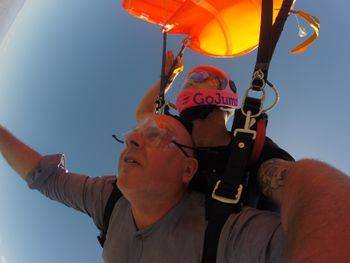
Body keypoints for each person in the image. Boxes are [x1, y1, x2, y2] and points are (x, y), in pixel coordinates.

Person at [1, 114, 350, 262]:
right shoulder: (108, 199)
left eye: (157, 136)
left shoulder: (224, 234)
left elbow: (321, 201)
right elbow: (46, 178)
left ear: (189, 169)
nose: (133, 139)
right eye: (135, 134)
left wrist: (300, 177)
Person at [136, 51, 294, 209]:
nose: (190, 82)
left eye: (200, 77)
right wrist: (167, 79)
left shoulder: (250, 145)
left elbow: (288, 180)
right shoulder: (177, 136)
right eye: (187, 80)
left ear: (225, 89)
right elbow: (144, 116)